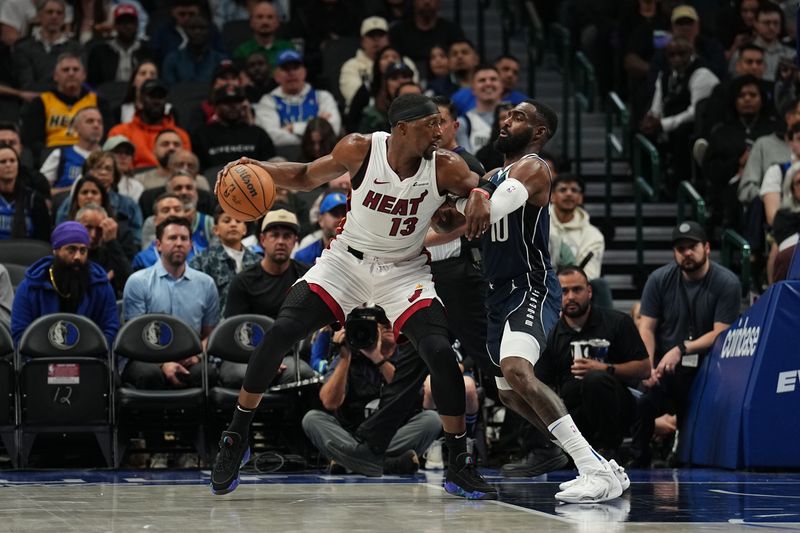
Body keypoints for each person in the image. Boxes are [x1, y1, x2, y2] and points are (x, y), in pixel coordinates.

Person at [210, 93, 496, 500]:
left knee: (439, 352)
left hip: (404, 269)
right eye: (430, 124)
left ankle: (457, 463)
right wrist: (260, 168)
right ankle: (235, 437)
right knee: (281, 332)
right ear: (401, 128)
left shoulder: (446, 166)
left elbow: (482, 181)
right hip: (346, 261)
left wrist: (481, 195)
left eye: (441, 123)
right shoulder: (361, 148)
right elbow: (308, 174)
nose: (439, 132)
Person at [451, 99, 629, 503]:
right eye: (507, 114)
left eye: (518, 117)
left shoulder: (534, 167)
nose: (506, 120)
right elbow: (459, 223)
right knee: (509, 393)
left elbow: (490, 211)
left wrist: (475, 197)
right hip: (496, 293)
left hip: (528, 285)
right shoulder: (493, 174)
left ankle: (590, 469)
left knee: (517, 370)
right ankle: (600, 465)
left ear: (538, 133)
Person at [630, 221, 741, 467]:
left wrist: (681, 349)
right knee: (645, 398)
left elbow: (721, 332)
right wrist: (647, 365)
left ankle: (684, 451)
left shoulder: (726, 282)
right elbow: (646, 327)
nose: (686, 253)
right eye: (680, 248)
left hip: (711, 366)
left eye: (692, 246)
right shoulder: (659, 279)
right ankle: (639, 459)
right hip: (667, 365)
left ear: (707, 248)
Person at [303, 309, 442, 476]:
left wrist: (378, 359)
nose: (388, 325)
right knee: (311, 419)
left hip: (391, 436)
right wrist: (344, 359)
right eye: (382, 323)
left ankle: (351, 462)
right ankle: (389, 464)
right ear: (371, 328)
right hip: (351, 435)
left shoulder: (406, 355)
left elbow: (414, 397)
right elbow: (329, 402)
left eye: (392, 320)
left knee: (432, 420)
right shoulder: (349, 355)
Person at [533, 266, 649, 462]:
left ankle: (607, 450)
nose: (570, 297)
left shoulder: (617, 322)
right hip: (572, 412)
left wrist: (606, 368)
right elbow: (541, 383)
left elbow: (645, 369)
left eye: (577, 290)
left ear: (589, 291)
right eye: (564, 291)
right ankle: (536, 452)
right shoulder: (549, 332)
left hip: (615, 408)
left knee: (595, 379)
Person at [221, 209, 315, 388]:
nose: (281, 241)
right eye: (274, 235)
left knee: (302, 373)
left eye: (287, 236)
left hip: (289, 356)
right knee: (238, 375)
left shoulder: (308, 277)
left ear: (295, 241)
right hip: (245, 354)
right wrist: (264, 359)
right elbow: (235, 332)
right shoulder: (243, 281)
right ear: (263, 240)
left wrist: (275, 358)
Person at [122, 215, 219, 388]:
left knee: (207, 373)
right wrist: (163, 363)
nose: (179, 243)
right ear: (158, 245)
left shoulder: (206, 283)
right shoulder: (138, 281)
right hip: (147, 358)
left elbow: (209, 334)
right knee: (149, 375)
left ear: (191, 245)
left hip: (189, 358)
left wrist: (197, 356)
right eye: (172, 238)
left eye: (184, 238)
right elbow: (135, 336)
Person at [10, 221, 119, 346]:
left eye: (83, 251)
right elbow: (20, 334)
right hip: (41, 360)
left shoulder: (101, 286)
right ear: (56, 251)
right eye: (71, 250)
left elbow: (110, 329)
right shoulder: (30, 287)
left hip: (89, 359)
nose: (78, 257)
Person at [20, 54, 109, 163]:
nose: (71, 73)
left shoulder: (99, 102)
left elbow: (107, 135)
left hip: (89, 155)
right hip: (52, 156)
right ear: (55, 76)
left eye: (75, 69)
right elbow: (32, 140)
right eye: (65, 70)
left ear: (84, 75)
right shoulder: (41, 102)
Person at [254, 50, 342, 149]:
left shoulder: (323, 97)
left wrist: (294, 128)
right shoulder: (267, 101)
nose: (291, 73)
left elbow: (333, 130)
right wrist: (315, 133)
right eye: (285, 69)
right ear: (276, 75)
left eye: (295, 68)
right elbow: (270, 137)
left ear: (304, 72)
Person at [189, 205, 260, 317]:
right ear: (216, 230)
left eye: (238, 221)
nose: (233, 224)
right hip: (217, 328)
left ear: (245, 229)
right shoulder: (201, 261)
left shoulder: (258, 262)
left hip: (251, 325)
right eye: (227, 221)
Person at [107, 79, 192, 170]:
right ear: (141, 100)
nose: (156, 102)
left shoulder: (180, 136)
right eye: (152, 96)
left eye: (160, 97)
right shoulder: (120, 132)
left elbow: (185, 166)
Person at [192, 85, 275, 171]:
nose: (233, 106)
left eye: (237, 101)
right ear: (215, 107)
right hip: (215, 181)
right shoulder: (202, 135)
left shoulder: (258, 133)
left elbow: (269, 165)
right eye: (226, 102)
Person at [12, 0, 82, 90]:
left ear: (64, 18)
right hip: (34, 101)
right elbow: (27, 84)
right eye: (49, 12)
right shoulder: (23, 48)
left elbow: (76, 82)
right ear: (39, 16)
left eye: (59, 13)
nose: (54, 16)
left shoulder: (76, 48)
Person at [39, 107, 104, 195]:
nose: (96, 125)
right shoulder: (60, 154)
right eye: (90, 121)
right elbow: (41, 191)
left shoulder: (109, 158)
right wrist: (74, 189)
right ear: (76, 128)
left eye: (100, 122)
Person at [86, 4, 154, 86]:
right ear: (115, 26)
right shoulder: (99, 52)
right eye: (122, 22)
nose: (127, 26)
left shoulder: (147, 52)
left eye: (130, 22)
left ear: (137, 25)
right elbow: (92, 84)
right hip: (107, 96)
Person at [75, 202, 132, 298]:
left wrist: (112, 242)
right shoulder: (68, 253)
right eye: (88, 227)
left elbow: (129, 286)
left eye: (99, 229)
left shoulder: (111, 253)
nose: (93, 234)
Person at [729, 3, 795, 82]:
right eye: (766, 23)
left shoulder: (793, 55)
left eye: (776, 23)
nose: (772, 27)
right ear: (755, 24)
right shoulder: (741, 54)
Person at [0, 144, 50, 241]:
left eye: (12, 161)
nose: (8, 165)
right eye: (3, 162)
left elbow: (43, 240)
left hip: (26, 254)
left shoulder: (34, 199)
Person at [162, 14, 228, 87]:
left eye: (202, 28)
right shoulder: (172, 59)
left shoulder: (221, 60)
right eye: (192, 28)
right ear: (185, 31)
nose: (197, 32)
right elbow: (170, 88)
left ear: (209, 31)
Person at [231, 0, 294, 77]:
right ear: (251, 22)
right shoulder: (242, 51)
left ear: (277, 23)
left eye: (270, 17)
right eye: (259, 17)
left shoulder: (288, 48)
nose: (265, 22)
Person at [455, 66, 504, 154]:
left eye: (493, 79)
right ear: (473, 89)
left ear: (502, 85)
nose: (488, 84)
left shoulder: (515, 117)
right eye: (482, 80)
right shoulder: (463, 123)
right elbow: (468, 161)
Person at [294, 191, 347, 265]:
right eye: (335, 213)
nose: (341, 219)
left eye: (345, 215)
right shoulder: (305, 256)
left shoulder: (361, 254)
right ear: (320, 220)